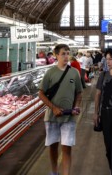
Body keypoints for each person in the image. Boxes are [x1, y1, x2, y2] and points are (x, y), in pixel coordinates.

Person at [38, 44, 83, 175]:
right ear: (56, 55)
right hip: (52, 117)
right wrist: (54, 108)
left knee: (66, 149)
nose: (66, 56)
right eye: (63, 53)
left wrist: (76, 107)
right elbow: (41, 93)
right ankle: (53, 172)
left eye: (68, 53)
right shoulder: (50, 73)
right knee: (53, 147)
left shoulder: (74, 73)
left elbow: (79, 93)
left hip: (69, 118)